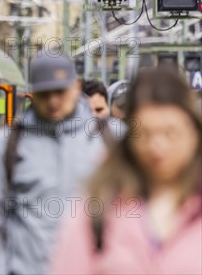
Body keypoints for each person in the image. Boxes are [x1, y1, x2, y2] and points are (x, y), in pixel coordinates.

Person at [49, 67, 202, 275]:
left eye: (171, 132)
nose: (158, 146)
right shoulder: (99, 206)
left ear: (194, 133)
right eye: (146, 133)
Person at [0, 53, 106, 275]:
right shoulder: (7, 145)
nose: (53, 101)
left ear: (76, 87)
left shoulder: (106, 141)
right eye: (44, 94)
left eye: (59, 92)